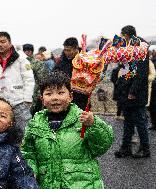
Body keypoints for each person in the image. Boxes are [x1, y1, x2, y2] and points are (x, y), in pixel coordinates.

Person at [21, 71, 114, 188]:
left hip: (83, 184)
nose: (55, 98)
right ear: (42, 99)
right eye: (49, 94)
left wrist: (93, 124)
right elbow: (28, 153)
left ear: (70, 96)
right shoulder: (35, 123)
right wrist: (31, 170)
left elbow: (102, 146)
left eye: (60, 93)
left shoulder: (83, 119)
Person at [0, 32, 35, 140]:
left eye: (3, 42)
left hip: (19, 101)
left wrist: (27, 99)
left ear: (10, 42)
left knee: (25, 132)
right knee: (2, 134)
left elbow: (29, 79)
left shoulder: (21, 58)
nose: (0, 44)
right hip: (0, 103)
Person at [114, 25, 151, 158]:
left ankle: (145, 148)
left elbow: (141, 73)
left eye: (123, 36)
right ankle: (126, 147)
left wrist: (133, 91)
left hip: (136, 93)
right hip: (126, 90)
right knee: (128, 121)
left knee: (140, 121)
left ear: (129, 36)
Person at [53, 37, 90, 110]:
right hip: (65, 97)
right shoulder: (61, 63)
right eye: (65, 50)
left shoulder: (86, 60)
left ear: (76, 49)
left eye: (69, 50)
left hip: (82, 98)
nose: (67, 53)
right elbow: (54, 76)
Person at [22, 43, 49, 116]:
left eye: (27, 51)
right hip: (23, 94)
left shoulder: (37, 63)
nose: (25, 53)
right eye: (24, 51)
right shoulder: (20, 63)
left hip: (35, 94)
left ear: (30, 52)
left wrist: (40, 94)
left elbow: (42, 80)